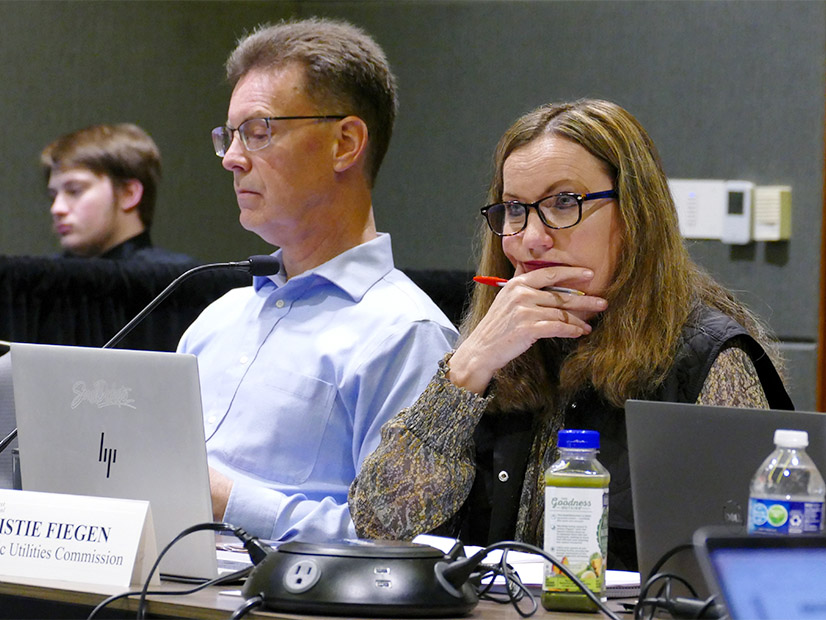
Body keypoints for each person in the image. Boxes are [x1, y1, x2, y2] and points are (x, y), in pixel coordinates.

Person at [349, 99, 792, 571]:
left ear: (635, 215)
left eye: (564, 202)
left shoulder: (705, 356)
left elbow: (759, 573)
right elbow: (379, 524)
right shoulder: (491, 352)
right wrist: (466, 369)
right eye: (515, 209)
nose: (531, 237)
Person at [177, 17, 458, 542]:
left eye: (259, 131)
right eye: (228, 136)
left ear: (345, 144)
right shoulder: (216, 319)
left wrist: (229, 503)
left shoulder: (408, 333)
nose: (233, 159)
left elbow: (392, 541)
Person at [41, 123, 192, 263]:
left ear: (128, 194)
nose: (56, 209)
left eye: (75, 191)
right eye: (53, 196)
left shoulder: (183, 281)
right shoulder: (40, 281)